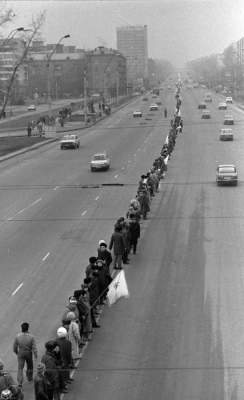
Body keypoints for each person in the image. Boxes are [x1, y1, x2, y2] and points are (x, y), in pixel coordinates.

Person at [13, 322, 38, 386]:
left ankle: (20, 382)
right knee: (30, 366)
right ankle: (29, 377)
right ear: (28, 328)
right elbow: (34, 347)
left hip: (21, 353)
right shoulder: (31, 337)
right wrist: (35, 355)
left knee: (20, 368)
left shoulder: (17, 336)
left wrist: (16, 352)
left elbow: (15, 347)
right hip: (28, 353)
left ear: (21, 328)